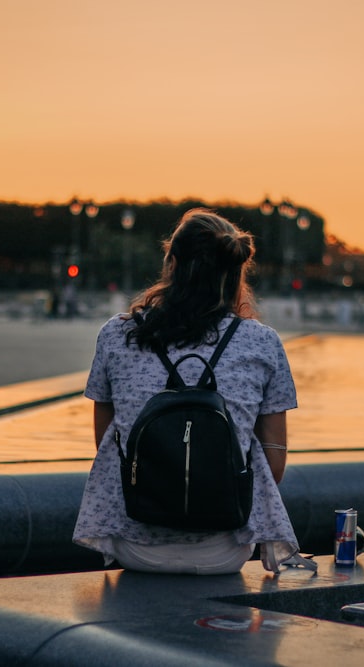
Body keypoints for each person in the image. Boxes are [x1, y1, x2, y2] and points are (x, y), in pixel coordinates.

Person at [73, 208, 304, 575]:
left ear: (172, 263)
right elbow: (273, 466)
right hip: (223, 553)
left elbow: (110, 445)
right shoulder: (263, 342)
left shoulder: (115, 335)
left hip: (135, 547)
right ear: (235, 270)